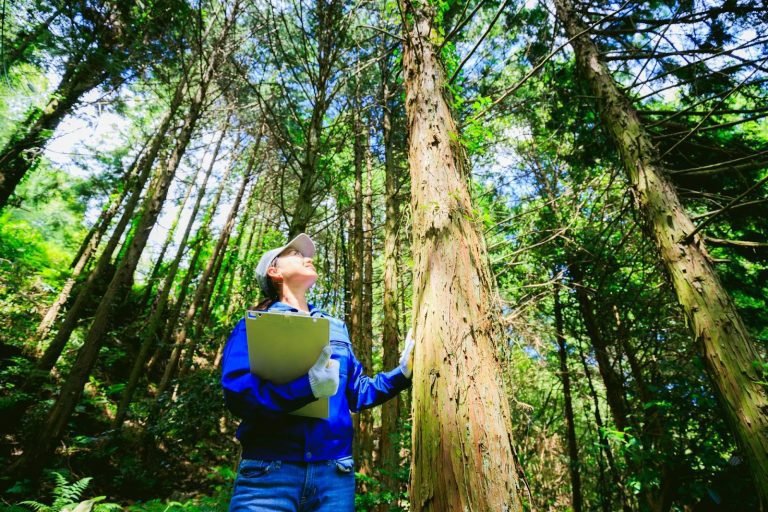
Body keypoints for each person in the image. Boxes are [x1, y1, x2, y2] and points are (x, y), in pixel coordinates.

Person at [222, 233, 415, 512]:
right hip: (268, 472)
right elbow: (238, 393)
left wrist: (403, 373)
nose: (308, 258)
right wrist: (307, 387)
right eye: (297, 255)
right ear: (274, 272)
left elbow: (357, 393)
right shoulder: (252, 325)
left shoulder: (335, 327)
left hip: (334, 474)